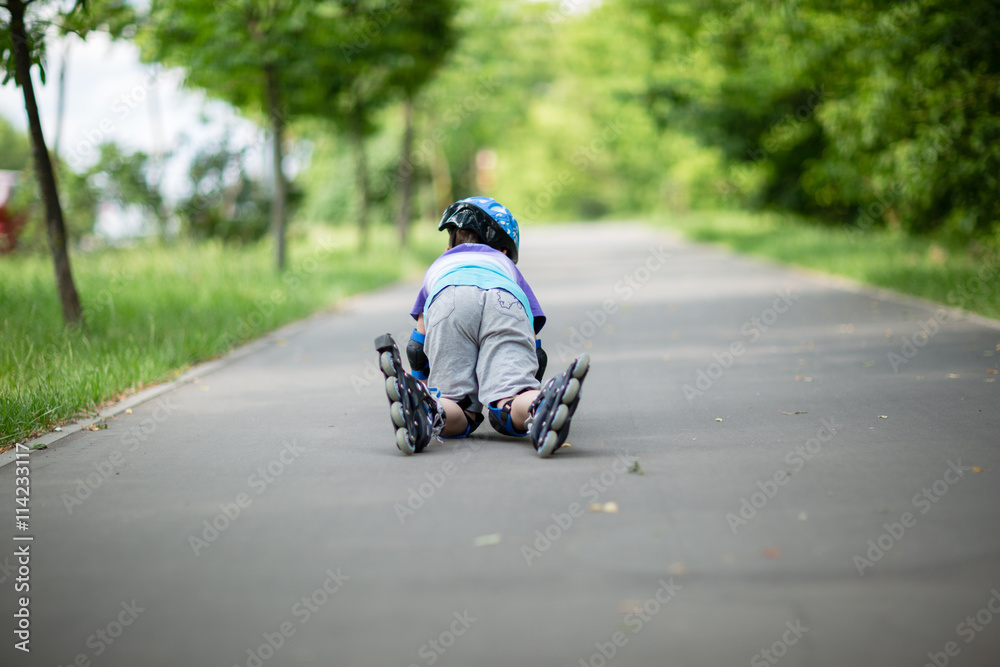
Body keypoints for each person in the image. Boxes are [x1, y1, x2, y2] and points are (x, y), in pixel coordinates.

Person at [375, 196, 588, 458]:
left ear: (450, 246)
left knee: (457, 404)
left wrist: (422, 385)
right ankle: (538, 405)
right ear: (505, 251)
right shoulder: (505, 266)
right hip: (504, 300)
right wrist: (526, 384)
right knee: (512, 396)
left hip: (449, 298)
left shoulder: (440, 266)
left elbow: (416, 347)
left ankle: (428, 410)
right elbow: (534, 347)